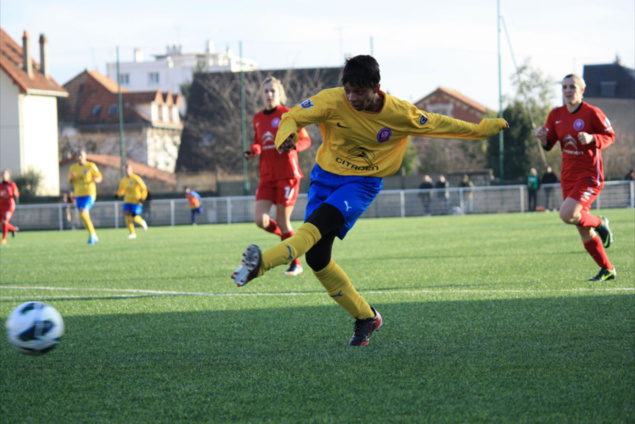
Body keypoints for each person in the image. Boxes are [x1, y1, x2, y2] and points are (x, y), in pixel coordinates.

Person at [231, 55, 508, 346]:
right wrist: (284, 136)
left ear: (376, 87)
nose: (352, 97)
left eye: (359, 92)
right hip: (325, 178)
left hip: (361, 184)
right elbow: (292, 117)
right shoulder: (331, 100)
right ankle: (367, 317)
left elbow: (439, 124)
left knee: (313, 228)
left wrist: (480, 130)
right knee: (317, 258)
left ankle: (260, 265)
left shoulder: (399, 113)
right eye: (348, 90)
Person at [535, 73, 616, 282]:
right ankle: (607, 270)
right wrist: (543, 138)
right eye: (564, 87)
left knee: (566, 214)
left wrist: (593, 138)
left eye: (572, 86)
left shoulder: (592, 113)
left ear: (582, 90)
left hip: (589, 175)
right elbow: (549, 143)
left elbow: (610, 135)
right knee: (582, 228)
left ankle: (600, 222)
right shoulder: (555, 115)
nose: (568, 90)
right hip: (568, 177)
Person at [244, 76, 312, 276]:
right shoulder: (257, 118)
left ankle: (296, 263)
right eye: (266, 91)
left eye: (273, 91)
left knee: (283, 220)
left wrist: (294, 146)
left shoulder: (288, 114)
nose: (269, 94)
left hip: (287, 176)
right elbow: (259, 142)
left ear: (279, 94)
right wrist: (253, 150)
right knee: (260, 220)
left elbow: (306, 140)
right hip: (267, 176)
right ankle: (288, 241)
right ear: (261, 94)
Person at [68, 150, 102, 244]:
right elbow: (69, 181)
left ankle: (93, 235)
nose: (79, 157)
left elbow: (99, 177)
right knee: (84, 216)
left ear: (85, 156)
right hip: (78, 195)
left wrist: (96, 179)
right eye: (78, 156)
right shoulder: (73, 167)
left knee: (83, 213)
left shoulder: (91, 166)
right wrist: (71, 177)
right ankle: (92, 235)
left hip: (89, 194)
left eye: (81, 155)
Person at [116, 162, 148, 239]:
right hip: (127, 200)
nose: (127, 170)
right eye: (126, 169)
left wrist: (143, 197)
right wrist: (118, 195)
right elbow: (121, 190)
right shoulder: (123, 180)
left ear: (131, 170)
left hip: (136, 201)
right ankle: (132, 233)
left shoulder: (136, 178)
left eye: (128, 169)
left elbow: (144, 188)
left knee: (134, 216)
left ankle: (142, 222)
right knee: (127, 215)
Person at [0, 169, 20, 245]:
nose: (4, 176)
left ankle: (4, 239)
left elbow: (17, 194)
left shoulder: (12, 184)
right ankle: (13, 229)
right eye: (3, 174)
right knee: (2, 223)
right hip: (1, 205)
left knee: (5, 222)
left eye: (5, 174)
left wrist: (15, 194)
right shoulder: (0, 185)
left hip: (9, 205)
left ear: (8, 176)